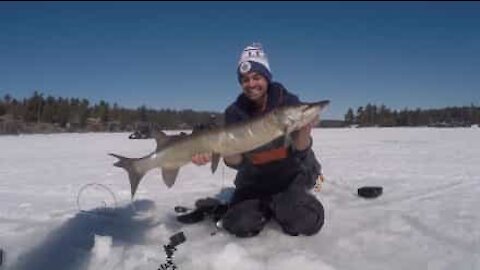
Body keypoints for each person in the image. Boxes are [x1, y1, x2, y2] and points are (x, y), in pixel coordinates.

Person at [191, 43, 324, 237]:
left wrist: (304, 128)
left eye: (257, 77)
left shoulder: (288, 103)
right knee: (239, 224)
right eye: (245, 79)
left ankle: (291, 200)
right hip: (255, 181)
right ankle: (268, 206)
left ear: (267, 78)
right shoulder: (234, 112)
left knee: (304, 219)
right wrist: (218, 150)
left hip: (291, 176)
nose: (251, 84)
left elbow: (301, 150)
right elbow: (236, 163)